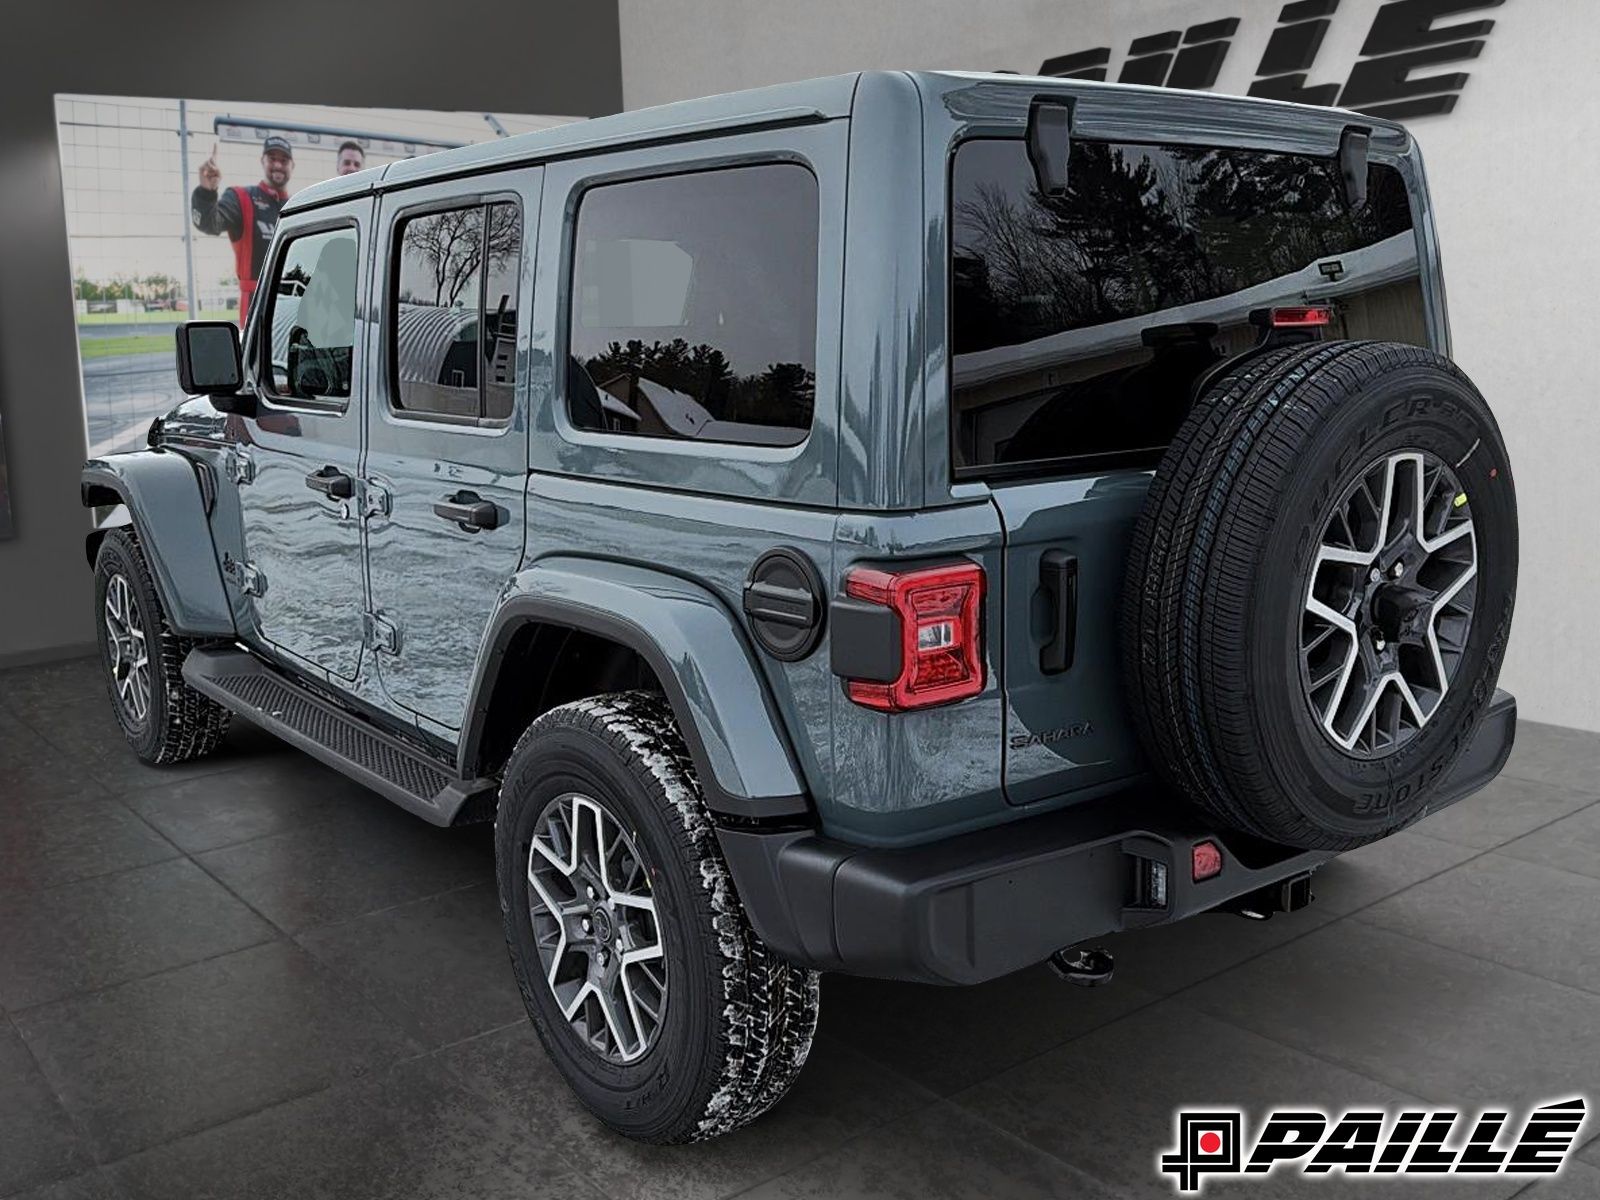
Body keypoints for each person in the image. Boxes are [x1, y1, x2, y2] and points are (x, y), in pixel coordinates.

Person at [191, 135, 295, 326]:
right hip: (256, 302)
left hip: (293, 302)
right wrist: (207, 193)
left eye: (284, 160)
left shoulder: (297, 205)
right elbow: (209, 223)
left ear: (292, 166)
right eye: (272, 159)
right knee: (256, 356)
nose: (278, 165)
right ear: (262, 161)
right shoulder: (241, 197)